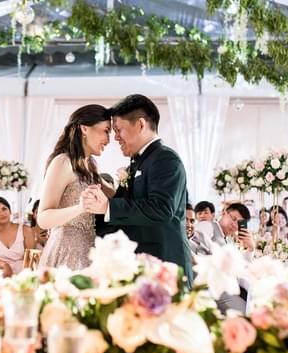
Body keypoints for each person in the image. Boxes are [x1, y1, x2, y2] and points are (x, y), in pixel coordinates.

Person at [82, 95, 193, 286]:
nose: (115, 137)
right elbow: (127, 210)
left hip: (164, 266)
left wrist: (108, 207)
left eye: (119, 130)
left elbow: (161, 209)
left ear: (140, 124)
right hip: (144, 266)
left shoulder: (165, 159)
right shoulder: (139, 161)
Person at [36, 104, 114, 271]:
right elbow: (43, 219)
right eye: (106, 131)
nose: (108, 140)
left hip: (90, 253)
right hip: (66, 254)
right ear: (85, 129)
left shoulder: (90, 165)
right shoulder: (63, 162)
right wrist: (80, 208)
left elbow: (113, 196)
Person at [0, 196, 35, 276]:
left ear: (10, 211)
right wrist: (4, 265)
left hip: (23, 274)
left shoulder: (25, 230)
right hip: (0, 274)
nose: (2, 213)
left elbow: (31, 258)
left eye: (4, 209)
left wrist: (24, 276)